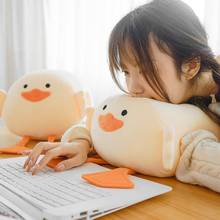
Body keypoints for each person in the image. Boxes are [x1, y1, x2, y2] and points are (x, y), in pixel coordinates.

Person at [23, 0, 220, 192]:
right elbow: (108, 119)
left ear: (191, 65)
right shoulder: (164, 93)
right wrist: (82, 143)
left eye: (145, 69)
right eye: (126, 72)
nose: (133, 88)